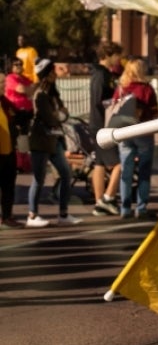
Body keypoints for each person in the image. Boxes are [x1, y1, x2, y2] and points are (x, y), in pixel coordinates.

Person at [26, 59, 82, 227]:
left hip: (54, 140)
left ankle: (63, 214)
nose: (56, 74)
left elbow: (62, 113)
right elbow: (51, 118)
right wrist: (59, 115)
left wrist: (60, 114)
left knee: (66, 174)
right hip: (40, 141)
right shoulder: (40, 95)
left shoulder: (52, 93)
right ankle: (32, 215)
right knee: (39, 178)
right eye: (52, 71)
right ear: (46, 74)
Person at [113, 59, 158, 220]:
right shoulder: (147, 89)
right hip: (143, 132)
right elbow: (154, 112)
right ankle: (141, 207)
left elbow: (114, 108)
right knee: (144, 172)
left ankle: (125, 209)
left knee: (126, 172)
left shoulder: (121, 88)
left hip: (124, 133)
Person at [88, 41, 123, 216]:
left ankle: (99, 203)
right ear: (108, 55)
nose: (119, 59)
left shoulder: (102, 74)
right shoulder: (101, 76)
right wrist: (115, 103)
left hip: (98, 125)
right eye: (117, 55)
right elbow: (98, 101)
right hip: (101, 125)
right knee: (119, 164)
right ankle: (108, 197)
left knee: (100, 164)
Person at [0, 95, 18, 227]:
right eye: (1, 83)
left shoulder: (5, 102)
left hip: (9, 150)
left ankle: (7, 216)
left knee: (8, 185)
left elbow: (17, 115)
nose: (3, 85)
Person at [4, 58, 34, 137]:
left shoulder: (25, 79)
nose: (19, 66)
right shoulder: (10, 78)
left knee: (25, 138)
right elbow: (21, 89)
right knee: (17, 137)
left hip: (27, 113)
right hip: (15, 113)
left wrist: (28, 89)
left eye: (20, 64)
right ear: (11, 66)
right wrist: (28, 89)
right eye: (16, 64)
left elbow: (34, 90)